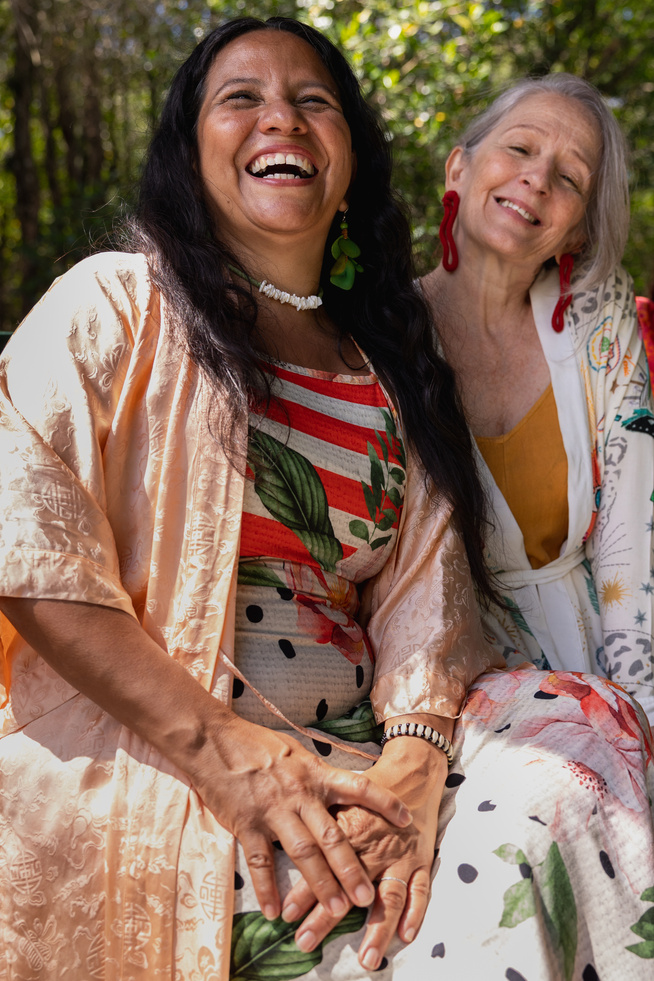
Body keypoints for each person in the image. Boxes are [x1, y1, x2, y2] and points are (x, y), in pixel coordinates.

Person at [0, 27, 652, 981]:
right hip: (158, 778)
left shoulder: (379, 374)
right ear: (190, 150)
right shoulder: (116, 304)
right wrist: (225, 753)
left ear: (348, 167)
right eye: (241, 98)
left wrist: (416, 767)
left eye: (315, 102)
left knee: (557, 785)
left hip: (364, 784)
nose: (282, 117)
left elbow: (428, 618)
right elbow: (26, 539)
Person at [421, 73, 654, 725]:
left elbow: (633, 534)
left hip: (616, 666)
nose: (538, 178)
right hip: (454, 692)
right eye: (520, 148)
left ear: (575, 233)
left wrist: (642, 714)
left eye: (571, 177)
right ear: (459, 170)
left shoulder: (598, 324)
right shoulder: (382, 333)